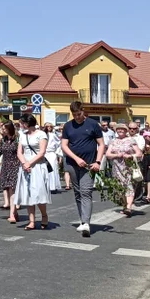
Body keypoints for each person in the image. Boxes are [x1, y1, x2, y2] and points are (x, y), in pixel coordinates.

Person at [60, 101, 104, 237]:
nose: (77, 117)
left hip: (89, 164)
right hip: (72, 163)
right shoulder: (68, 126)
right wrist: (76, 158)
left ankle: (86, 223)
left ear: (83, 111)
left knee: (86, 192)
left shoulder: (93, 124)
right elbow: (64, 146)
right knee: (78, 192)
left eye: (79, 114)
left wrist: (98, 161)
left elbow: (101, 144)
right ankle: (82, 221)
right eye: (74, 115)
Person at [16, 114, 51, 230]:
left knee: (38, 193)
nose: (20, 125)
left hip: (37, 166)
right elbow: (19, 152)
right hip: (25, 167)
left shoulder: (41, 134)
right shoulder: (23, 135)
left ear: (27, 123)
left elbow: (42, 152)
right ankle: (31, 221)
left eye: (22, 123)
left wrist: (29, 163)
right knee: (28, 194)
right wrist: (24, 163)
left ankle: (44, 215)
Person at [106, 121, 144, 216]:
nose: (120, 131)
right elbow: (107, 154)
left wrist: (130, 156)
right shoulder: (113, 141)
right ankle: (124, 205)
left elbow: (139, 153)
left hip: (128, 167)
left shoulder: (131, 140)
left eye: (122, 129)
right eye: (118, 129)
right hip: (117, 167)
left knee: (129, 186)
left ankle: (129, 207)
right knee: (119, 188)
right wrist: (116, 155)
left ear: (126, 131)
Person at [0, 122, 20, 223]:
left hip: (15, 166)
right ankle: (14, 212)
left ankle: (12, 215)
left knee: (12, 189)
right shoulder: (3, 140)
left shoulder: (17, 140)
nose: (3, 131)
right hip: (5, 166)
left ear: (9, 129)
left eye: (4, 129)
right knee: (8, 189)